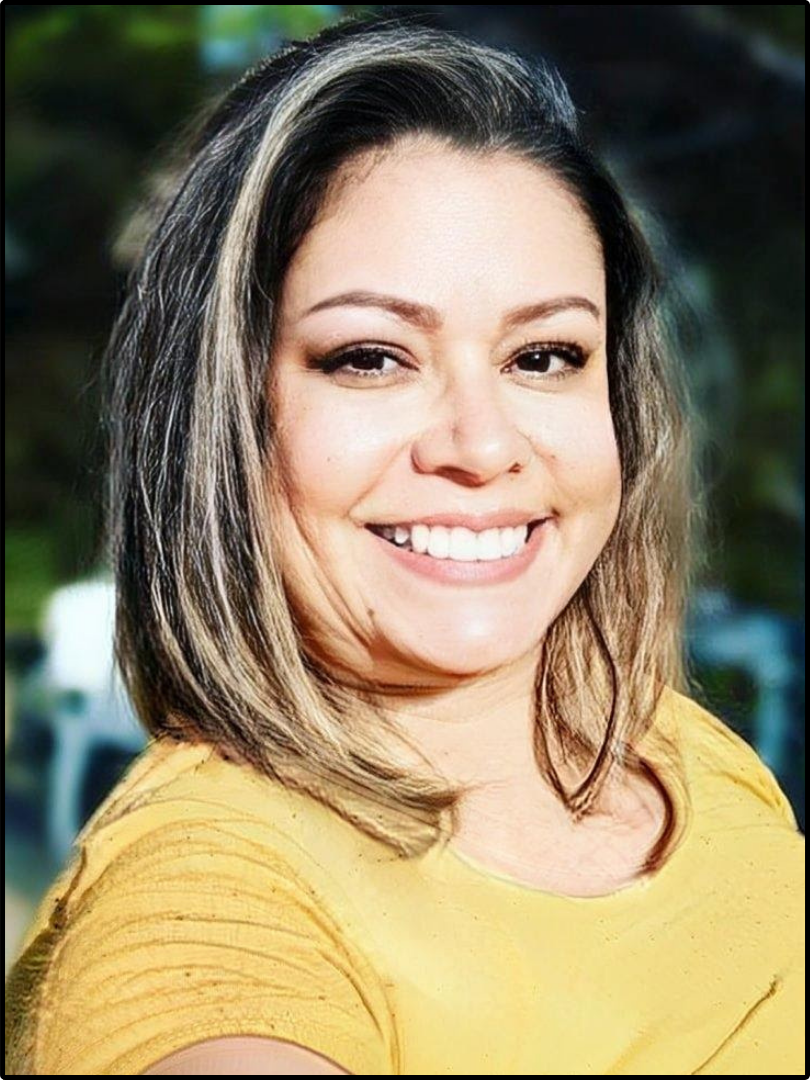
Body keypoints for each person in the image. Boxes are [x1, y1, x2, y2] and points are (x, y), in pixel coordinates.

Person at [5, 10, 803, 1076]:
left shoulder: (678, 753)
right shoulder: (206, 908)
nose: (483, 445)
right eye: (371, 357)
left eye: (544, 355)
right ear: (222, 416)